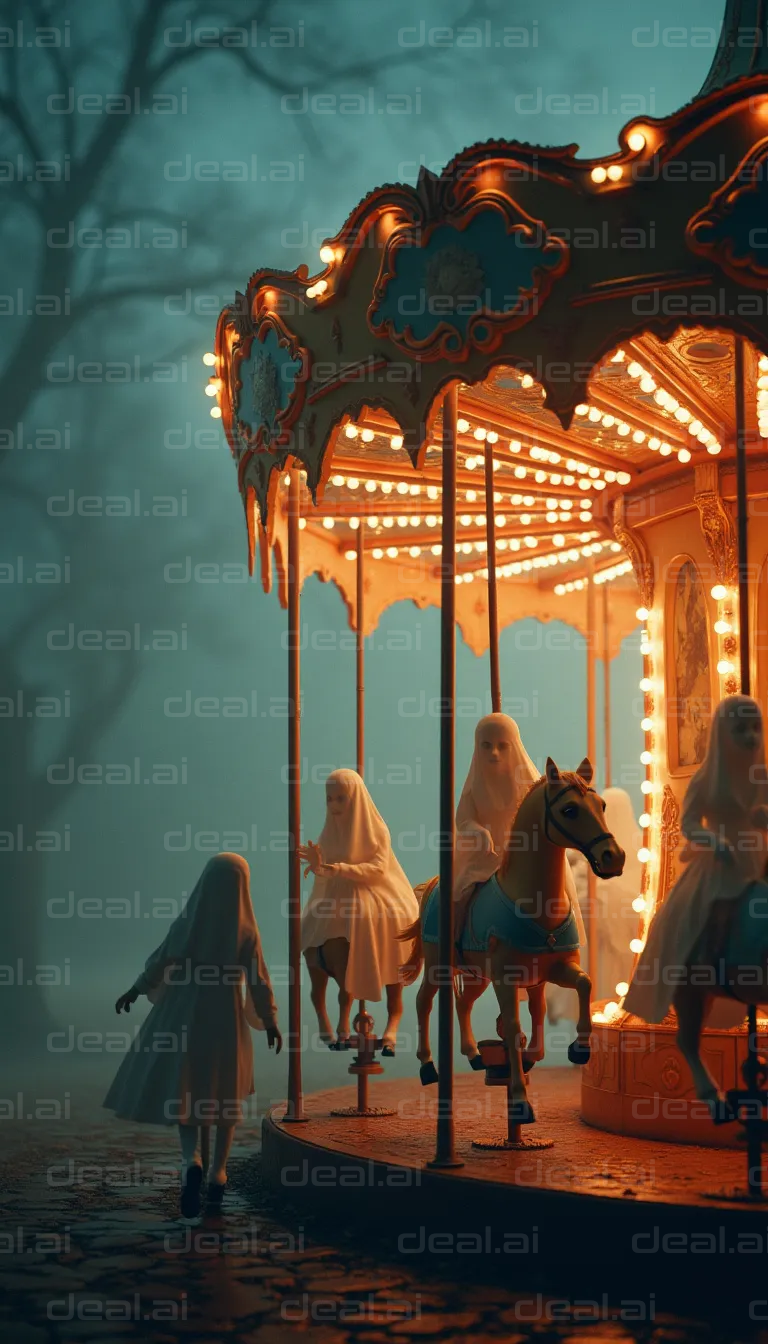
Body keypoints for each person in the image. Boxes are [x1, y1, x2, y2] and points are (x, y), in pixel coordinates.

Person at [104, 853, 281, 1218]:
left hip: (184, 1012)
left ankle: (190, 1161)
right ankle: (218, 1173)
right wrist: (270, 1019)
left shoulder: (189, 922)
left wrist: (136, 990)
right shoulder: (246, 931)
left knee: (188, 1088)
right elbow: (259, 980)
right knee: (226, 1094)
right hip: (226, 1017)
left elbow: (161, 959)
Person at [624, 695, 768, 1025]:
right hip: (720, 865)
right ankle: (705, 971)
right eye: (740, 729)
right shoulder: (706, 779)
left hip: (756, 859)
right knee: (688, 920)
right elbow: (689, 823)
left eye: (755, 729)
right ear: (722, 734)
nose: (750, 737)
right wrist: (710, 839)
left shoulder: (762, 778)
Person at [300, 769, 419, 1050]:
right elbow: (324, 867)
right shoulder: (330, 830)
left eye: (341, 799)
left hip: (375, 889)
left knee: (389, 920)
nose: (334, 806)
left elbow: (378, 868)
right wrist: (318, 865)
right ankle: (329, 1015)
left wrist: (338, 868)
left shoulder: (377, 829)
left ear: (354, 799)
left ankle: (392, 1018)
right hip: (338, 892)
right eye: (330, 800)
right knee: (310, 923)